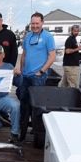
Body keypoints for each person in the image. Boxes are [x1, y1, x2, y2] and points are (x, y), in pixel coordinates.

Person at [15, 12, 56, 141]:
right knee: (23, 103)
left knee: (37, 106)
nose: (35, 26)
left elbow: (52, 56)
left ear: (42, 23)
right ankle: (22, 132)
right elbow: (24, 54)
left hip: (38, 77)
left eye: (37, 23)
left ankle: (37, 132)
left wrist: (42, 71)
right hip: (25, 76)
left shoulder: (48, 37)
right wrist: (21, 69)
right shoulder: (27, 36)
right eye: (33, 23)